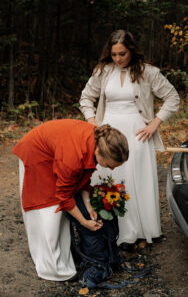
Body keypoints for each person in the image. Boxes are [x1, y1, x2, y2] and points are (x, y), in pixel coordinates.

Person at [79, 29, 180, 246]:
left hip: (137, 133)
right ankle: (108, 228)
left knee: (136, 180)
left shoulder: (148, 72)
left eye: (122, 54)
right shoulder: (103, 71)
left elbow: (172, 97)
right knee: (107, 176)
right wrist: (91, 120)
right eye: (114, 54)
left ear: (131, 51)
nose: (118, 59)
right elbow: (86, 97)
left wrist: (155, 122)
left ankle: (140, 231)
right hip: (107, 131)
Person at [13, 119, 129, 281]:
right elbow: (65, 197)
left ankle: (66, 255)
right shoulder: (73, 157)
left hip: (58, 152)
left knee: (61, 211)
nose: (112, 169)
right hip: (36, 154)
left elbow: (83, 178)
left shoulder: (100, 139)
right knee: (48, 211)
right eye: (110, 166)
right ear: (99, 153)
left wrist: (88, 206)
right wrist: (83, 221)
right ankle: (52, 268)